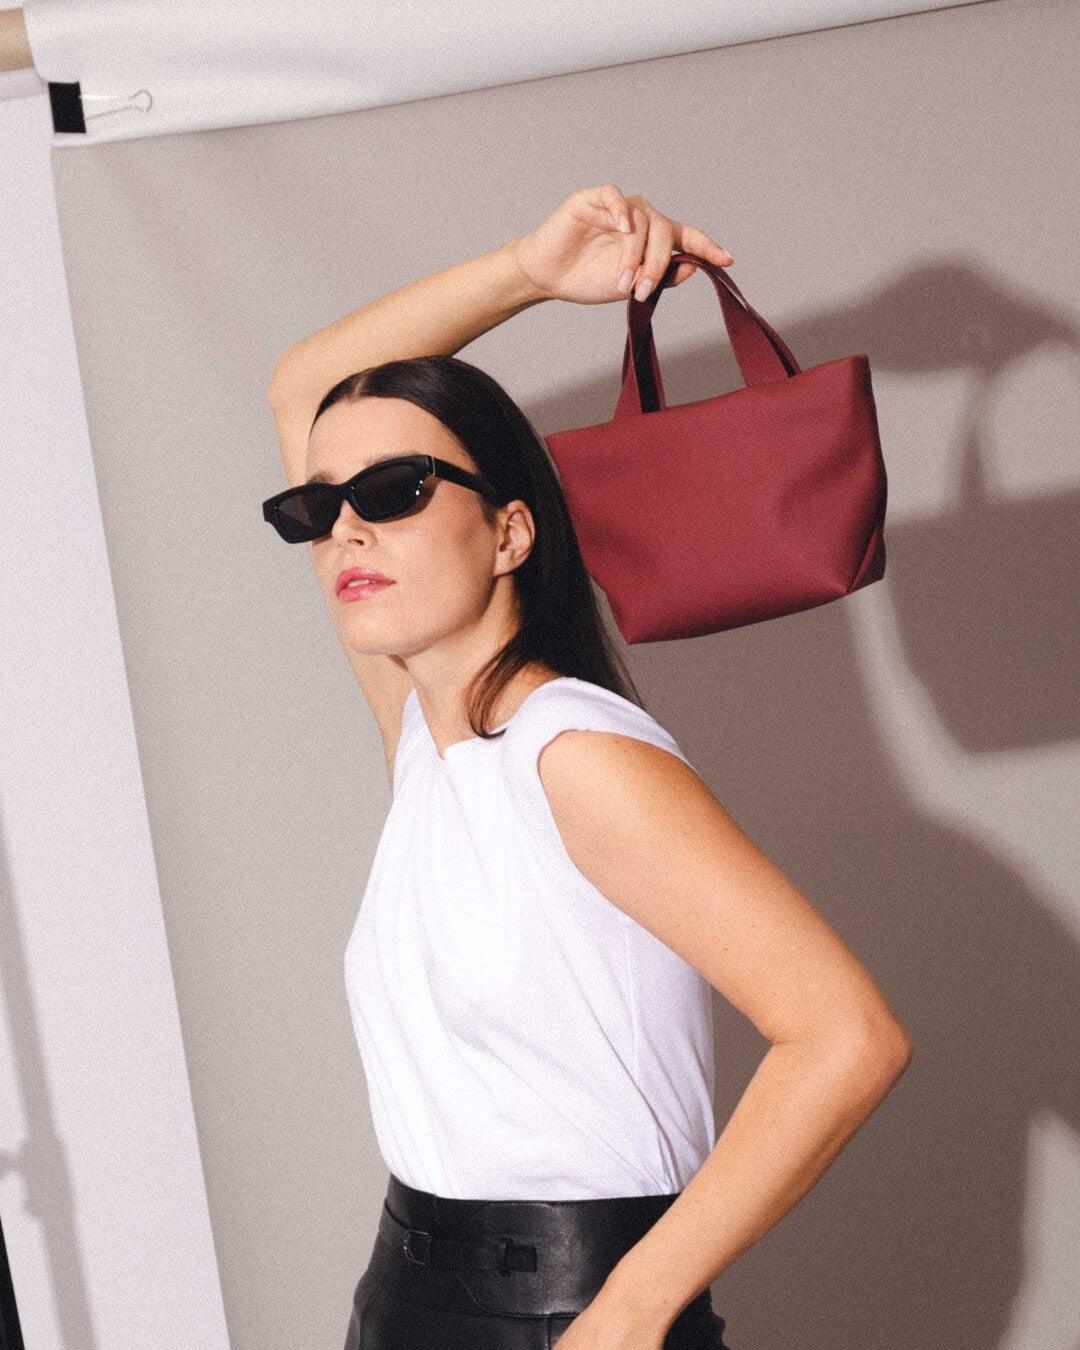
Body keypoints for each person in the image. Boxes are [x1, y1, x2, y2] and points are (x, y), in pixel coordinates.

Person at [263, 183, 913, 1350]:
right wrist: (533, 269)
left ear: (511, 532)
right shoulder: (427, 737)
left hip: (568, 1310)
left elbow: (846, 1035)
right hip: (402, 1300)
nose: (347, 530)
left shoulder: (577, 756)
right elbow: (307, 385)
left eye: (395, 493)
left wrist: (631, 1310)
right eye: (320, 507)